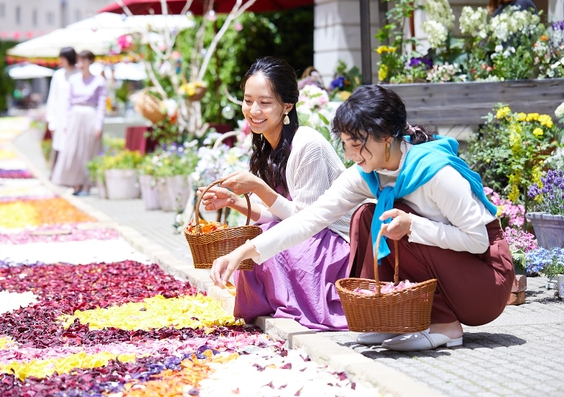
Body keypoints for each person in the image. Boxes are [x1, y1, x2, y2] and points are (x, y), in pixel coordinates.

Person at [211, 85, 515, 352]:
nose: (350, 154)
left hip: (485, 281)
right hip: (450, 269)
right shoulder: (366, 174)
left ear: (387, 138)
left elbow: (478, 241)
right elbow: (310, 219)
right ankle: (391, 317)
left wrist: (413, 226)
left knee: (392, 218)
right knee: (366, 216)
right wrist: (243, 252)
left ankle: (444, 325)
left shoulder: (436, 174)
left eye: (357, 144)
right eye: (346, 144)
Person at [199, 56, 354, 331]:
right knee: (262, 235)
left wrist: (258, 187)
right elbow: (279, 214)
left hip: (336, 244)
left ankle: (290, 301)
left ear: (287, 106)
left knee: (268, 242)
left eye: (265, 102)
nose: (254, 110)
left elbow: (306, 221)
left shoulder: (308, 145)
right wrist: (234, 201)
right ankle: (274, 300)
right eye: (248, 101)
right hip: (307, 234)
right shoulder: (267, 145)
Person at [51, 50, 106, 196]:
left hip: (91, 117)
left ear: (90, 61)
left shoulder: (99, 81)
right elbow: (68, 103)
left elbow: (101, 105)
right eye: (79, 60)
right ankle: (74, 183)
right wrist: (66, 123)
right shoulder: (73, 80)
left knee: (89, 151)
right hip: (75, 118)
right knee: (73, 152)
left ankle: (87, 184)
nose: (80, 64)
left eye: (83, 60)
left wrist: (98, 124)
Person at [45, 47, 78, 175]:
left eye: (63, 58)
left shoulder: (79, 73)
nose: (61, 61)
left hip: (75, 116)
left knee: (74, 146)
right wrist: (51, 120)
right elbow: (53, 98)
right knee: (60, 145)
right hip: (60, 116)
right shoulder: (58, 75)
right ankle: (58, 175)